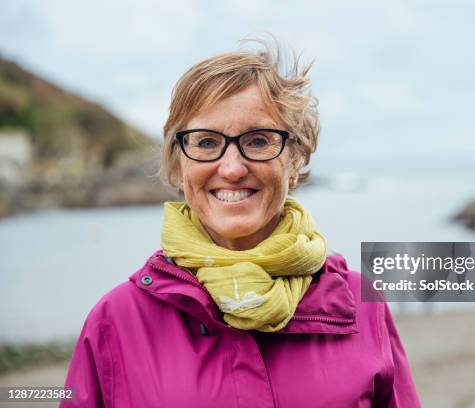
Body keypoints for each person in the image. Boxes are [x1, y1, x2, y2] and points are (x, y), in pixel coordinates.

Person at [61, 38, 421, 408]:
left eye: (259, 140)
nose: (232, 168)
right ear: (178, 166)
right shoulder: (116, 321)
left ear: (295, 161)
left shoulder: (363, 306)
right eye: (204, 143)